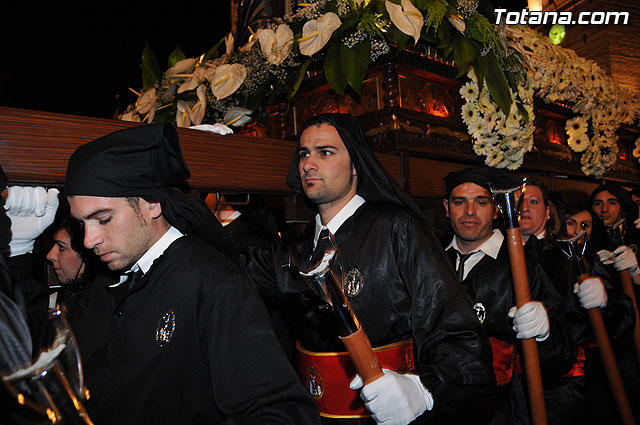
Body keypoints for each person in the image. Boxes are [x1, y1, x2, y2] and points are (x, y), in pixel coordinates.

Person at [63, 122, 321, 425]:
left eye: (103, 219)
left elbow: (280, 413)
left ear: (152, 205)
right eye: (82, 224)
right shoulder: (104, 284)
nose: (88, 240)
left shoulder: (215, 285)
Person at [251, 113, 495, 425]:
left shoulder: (398, 229)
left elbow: (458, 333)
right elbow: (224, 277)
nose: (308, 164)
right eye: (303, 154)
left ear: (356, 167)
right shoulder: (291, 248)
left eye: (325, 152)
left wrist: (423, 389)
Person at [441, 167, 575, 425]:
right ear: (447, 208)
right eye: (460, 202)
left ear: (496, 209)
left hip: (500, 410)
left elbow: (563, 353)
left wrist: (546, 332)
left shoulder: (520, 265)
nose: (470, 211)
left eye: (481, 202)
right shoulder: (431, 258)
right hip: (439, 405)